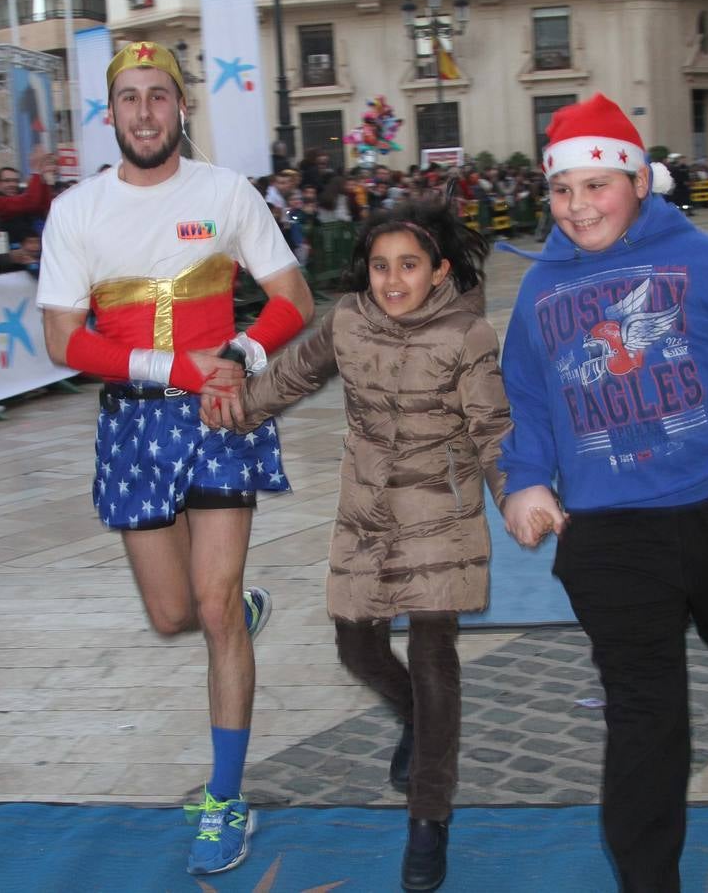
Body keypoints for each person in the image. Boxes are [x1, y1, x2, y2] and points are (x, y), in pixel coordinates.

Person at [498, 93, 708, 892]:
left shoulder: (703, 261)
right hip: (609, 532)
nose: (577, 207)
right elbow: (528, 398)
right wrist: (526, 479)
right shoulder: (539, 292)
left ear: (639, 182)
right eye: (562, 190)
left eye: (595, 186)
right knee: (645, 715)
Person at [35, 40, 315, 877]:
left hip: (219, 416)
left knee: (214, 605)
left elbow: (292, 298)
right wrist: (168, 367)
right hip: (132, 427)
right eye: (131, 99)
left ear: (180, 108)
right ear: (111, 113)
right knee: (172, 613)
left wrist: (236, 353)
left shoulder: (225, 193)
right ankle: (238, 608)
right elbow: (61, 339)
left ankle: (226, 799)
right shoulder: (76, 212)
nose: (146, 112)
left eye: (160, 96)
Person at [219, 199, 518, 892]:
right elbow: (293, 374)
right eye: (381, 265)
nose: (391, 279)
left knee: (433, 649)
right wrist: (234, 411)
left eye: (408, 265)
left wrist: (515, 494)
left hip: (440, 509)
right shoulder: (349, 319)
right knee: (354, 644)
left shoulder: (467, 335)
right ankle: (416, 717)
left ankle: (428, 817)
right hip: (365, 510)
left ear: (439, 269)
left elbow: (492, 427)